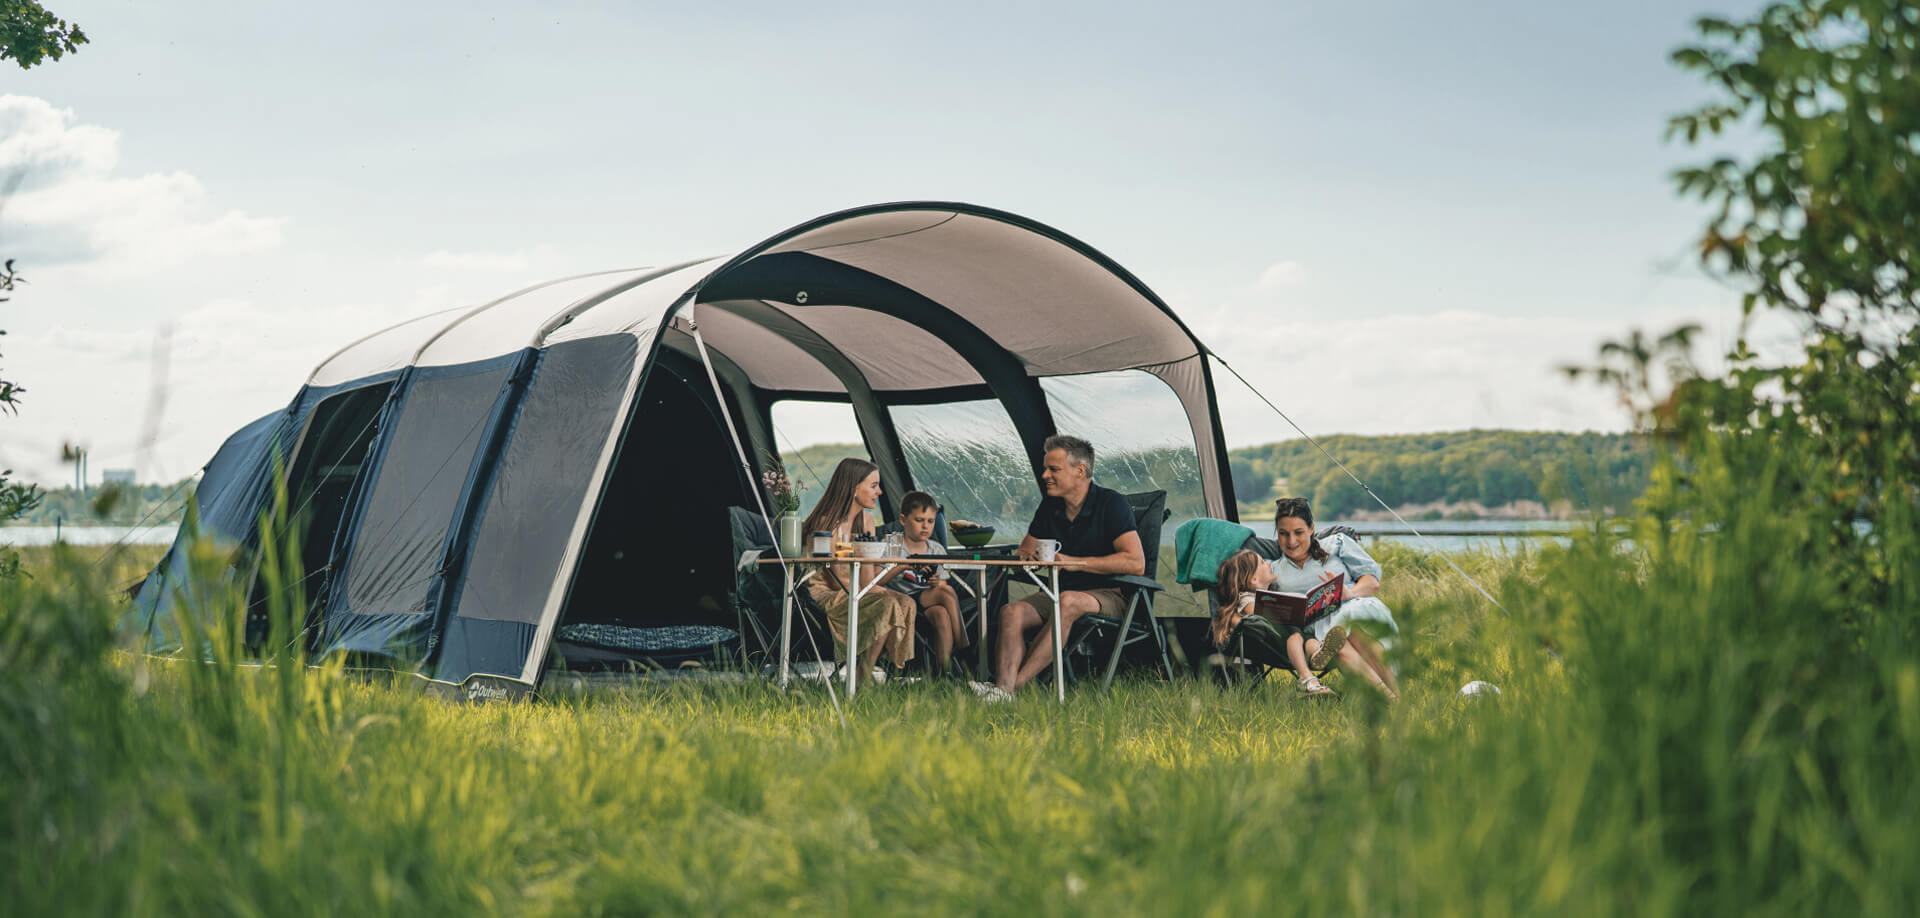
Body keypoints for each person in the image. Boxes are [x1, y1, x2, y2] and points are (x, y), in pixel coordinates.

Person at [991, 435, 1145, 696]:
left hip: (1109, 595)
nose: (1045, 475)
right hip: (1057, 592)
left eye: (1054, 469)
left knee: (1067, 601)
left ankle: (1011, 690)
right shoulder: (1050, 506)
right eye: (1045, 469)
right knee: (1011, 612)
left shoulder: (1111, 504)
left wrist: (1075, 563)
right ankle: (1001, 689)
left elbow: (1136, 562)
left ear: (1080, 471)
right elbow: (1024, 553)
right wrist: (1027, 560)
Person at [1265, 496, 1400, 697]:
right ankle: (1391, 699)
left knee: (1351, 628)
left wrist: (1348, 593)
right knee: (1337, 642)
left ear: (1311, 528)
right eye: (1283, 534)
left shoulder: (1336, 543)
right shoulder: (1274, 570)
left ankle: (1395, 696)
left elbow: (1372, 582)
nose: (1291, 541)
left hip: (1355, 606)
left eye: (1298, 532)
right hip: (1320, 629)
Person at [799, 457, 916, 683]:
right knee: (888, 603)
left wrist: (888, 568)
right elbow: (835, 581)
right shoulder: (826, 525)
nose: (880, 492)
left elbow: (867, 579)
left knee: (905, 602)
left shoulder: (867, 521)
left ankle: (891, 672)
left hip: (855, 587)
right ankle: (863, 677)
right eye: (874, 486)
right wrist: (875, 586)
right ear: (854, 488)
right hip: (828, 592)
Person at [1209, 550, 1352, 695]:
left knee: (1308, 639)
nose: (1268, 563)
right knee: (1294, 633)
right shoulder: (1247, 598)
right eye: (1263, 562)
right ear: (1253, 579)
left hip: (1297, 642)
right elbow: (1255, 612)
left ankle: (1318, 653)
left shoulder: (1272, 594)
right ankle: (1306, 678)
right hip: (1279, 641)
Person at [890, 490, 969, 677]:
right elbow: (880, 579)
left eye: (931, 521)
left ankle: (943, 674)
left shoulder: (936, 549)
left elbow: (941, 584)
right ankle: (965, 649)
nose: (925, 526)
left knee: (941, 613)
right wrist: (904, 565)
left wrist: (937, 582)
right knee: (946, 592)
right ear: (903, 520)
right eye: (919, 520)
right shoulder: (894, 544)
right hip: (900, 599)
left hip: (926, 599)